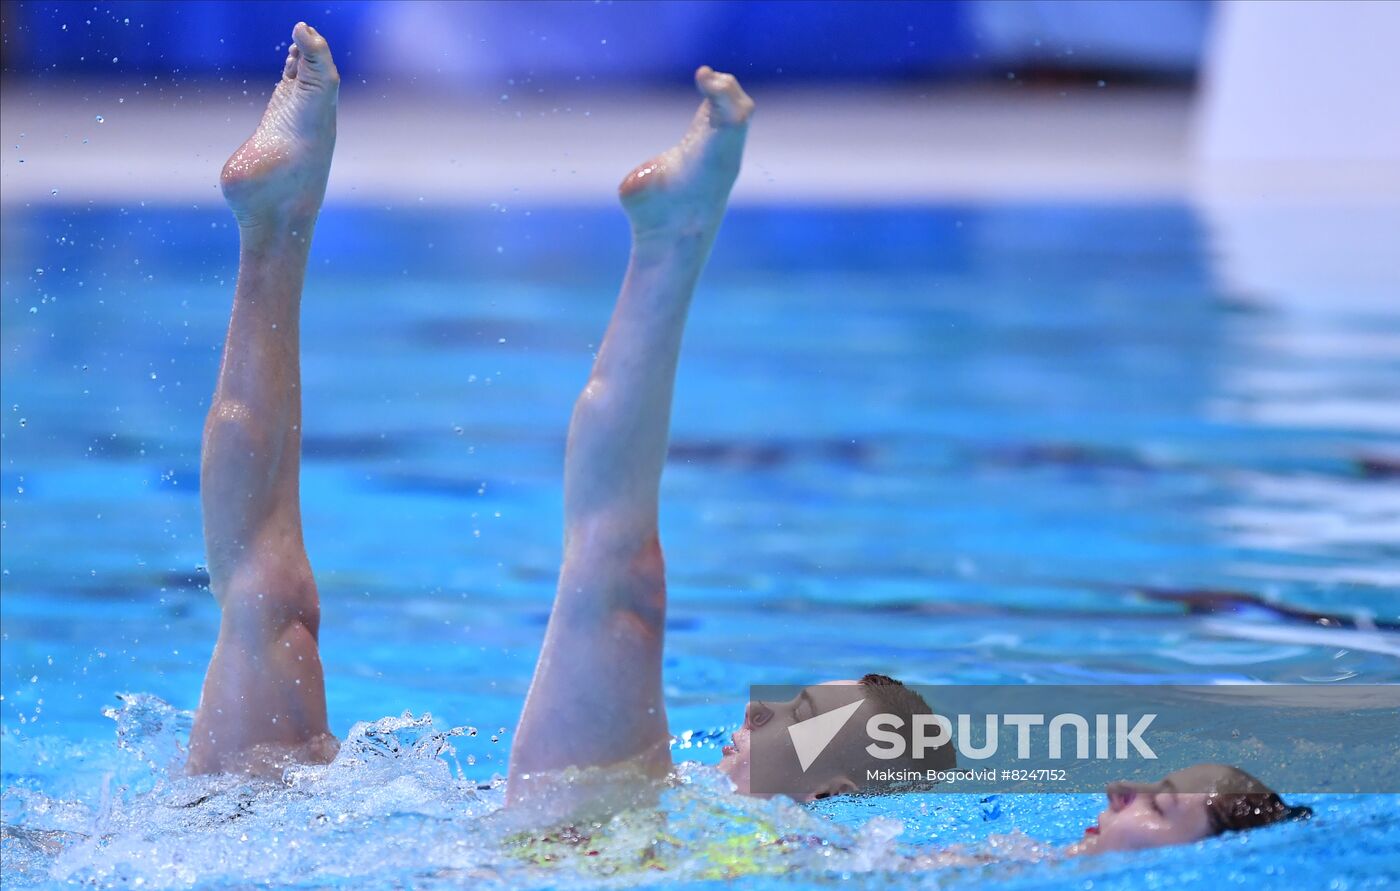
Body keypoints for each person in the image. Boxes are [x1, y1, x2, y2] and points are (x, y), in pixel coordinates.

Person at [187, 22, 1310, 855]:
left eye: (1153, 806)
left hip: (541, 858)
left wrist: (793, 780)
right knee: (327, 599)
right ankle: (308, 220)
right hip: (503, 854)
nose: (1117, 796)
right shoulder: (1008, 861)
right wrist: (793, 773)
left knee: (272, 601)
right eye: (1140, 788)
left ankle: (280, 231)